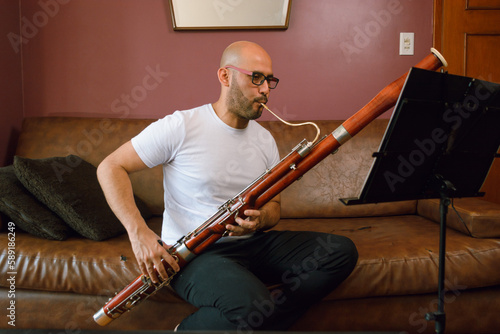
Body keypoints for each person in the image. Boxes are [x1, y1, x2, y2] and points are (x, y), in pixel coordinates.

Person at [97, 41, 358, 331]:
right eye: (255, 77)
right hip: (192, 256)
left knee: (340, 252)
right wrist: (139, 233)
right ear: (225, 76)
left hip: (251, 244)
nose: (265, 90)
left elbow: (274, 209)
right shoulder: (181, 126)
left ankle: (267, 323)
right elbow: (110, 167)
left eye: (269, 80)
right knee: (252, 305)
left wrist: (259, 221)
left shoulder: (265, 141)